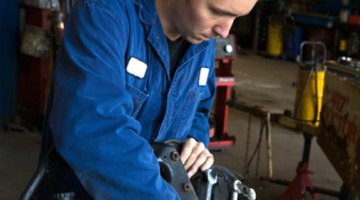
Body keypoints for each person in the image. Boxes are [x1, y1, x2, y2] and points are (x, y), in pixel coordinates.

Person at [40, 0, 257, 199]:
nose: (224, 31)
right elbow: (92, 130)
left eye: (236, 17)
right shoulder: (104, 15)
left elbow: (199, 111)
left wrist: (195, 145)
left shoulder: (202, 41)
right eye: (216, 12)